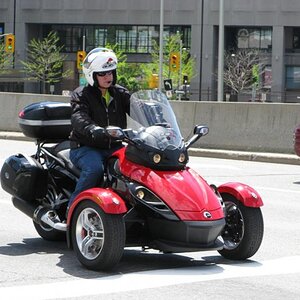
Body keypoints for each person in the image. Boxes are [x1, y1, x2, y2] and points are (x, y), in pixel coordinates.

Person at [68, 47, 131, 211]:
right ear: (92, 75)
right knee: (94, 169)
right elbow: (78, 116)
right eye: (102, 74)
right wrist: (92, 128)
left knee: (135, 167)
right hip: (86, 147)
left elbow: (139, 109)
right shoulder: (81, 94)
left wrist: (157, 118)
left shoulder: (120, 94)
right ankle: (73, 210)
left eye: (110, 72)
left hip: (114, 147)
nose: (108, 77)